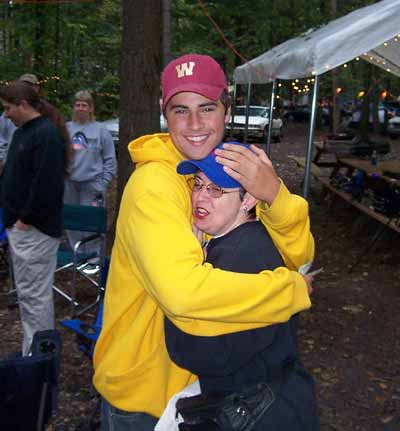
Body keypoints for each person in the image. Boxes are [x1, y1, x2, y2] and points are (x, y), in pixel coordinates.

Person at [93, 54, 314, 430]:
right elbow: (184, 293)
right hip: (142, 395)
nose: (195, 124)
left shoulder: (215, 169)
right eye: (181, 110)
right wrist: (290, 292)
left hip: (191, 387)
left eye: (206, 108)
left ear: (226, 112)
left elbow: (299, 255)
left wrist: (275, 196)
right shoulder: (154, 187)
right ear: (166, 115)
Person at [161, 144, 319, 430]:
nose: (200, 196)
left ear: (247, 201)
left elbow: (198, 353)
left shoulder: (244, 256)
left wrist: (180, 286)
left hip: (261, 415)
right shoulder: (232, 241)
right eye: (198, 184)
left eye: (216, 190)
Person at [0, 81, 68, 355]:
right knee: (28, 295)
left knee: (35, 297)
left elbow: (47, 185)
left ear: (23, 105)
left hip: (34, 231)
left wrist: (25, 220)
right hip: (20, 228)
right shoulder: (23, 133)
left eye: (8, 108)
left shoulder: (46, 135)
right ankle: (33, 350)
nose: (5, 115)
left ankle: (39, 356)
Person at [65, 90, 116, 273]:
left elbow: (110, 159)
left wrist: (102, 182)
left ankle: (93, 260)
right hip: (70, 184)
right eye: (77, 104)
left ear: (91, 108)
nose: (80, 108)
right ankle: (77, 258)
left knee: (92, 222)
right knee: (71, 221)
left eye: (84, 105)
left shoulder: (100, 130)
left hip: (92, 184)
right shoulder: (66, 129)